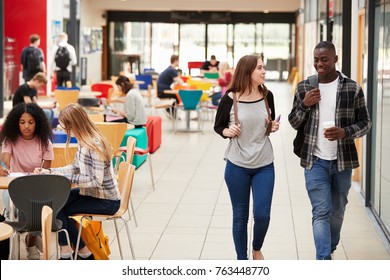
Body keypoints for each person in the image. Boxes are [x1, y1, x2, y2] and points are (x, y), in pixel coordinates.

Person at [288, 41, 372, 260]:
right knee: (321, 211)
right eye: (316, 59)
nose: (319, 64)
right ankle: (323, 260)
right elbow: (294, 123)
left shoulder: (352, 88)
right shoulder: (305, 87)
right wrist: (304, 105)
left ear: (335, 59)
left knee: (338, 209)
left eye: (324, 59)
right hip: (314, 161)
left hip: (343, 162)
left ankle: (331, 245)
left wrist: (345, 132)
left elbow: (366, 123)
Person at [214, 54, 280, 260]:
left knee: (262, 215)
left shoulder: (267, 95)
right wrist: (228, 131)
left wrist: (272, 127)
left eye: (263, 67)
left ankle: (257, 247)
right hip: (237, 165)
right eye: (259, 68)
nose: (264, 71)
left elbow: (267, 125)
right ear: (248, 71)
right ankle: (241, 261)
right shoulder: (229, 98)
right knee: (240, 217)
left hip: (264, 163)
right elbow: (218, 126)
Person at [35, 103, 120, 260]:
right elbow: (75, 167)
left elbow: (95, 180)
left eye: (66, 127)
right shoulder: (83, 142)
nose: (64, 130)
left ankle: (71, 252)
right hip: (92, 194)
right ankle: (80, 252)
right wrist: (51, 171)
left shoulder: (93, 145)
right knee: (55, 202)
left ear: (74, 125)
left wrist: (64, 178)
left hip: (106, 201)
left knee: (57, 205)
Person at [0, 103, 54, 260]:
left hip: (37, 185)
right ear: (16, 123)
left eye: (31, 122)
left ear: (37, 122)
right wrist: (3, 167)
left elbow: (46, 169)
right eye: (22, 122)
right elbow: (6, 161)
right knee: (14, 210)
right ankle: (30, 236)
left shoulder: (45, 142)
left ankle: (31, 240)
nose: (26, 126)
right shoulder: (10, 140)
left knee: (39, 210)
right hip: (13, 185)